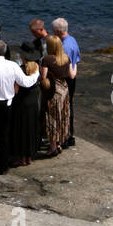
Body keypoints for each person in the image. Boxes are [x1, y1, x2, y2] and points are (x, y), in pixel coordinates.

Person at [0, 39, 40, 174]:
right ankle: (2, 167)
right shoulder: (13, 66)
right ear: (5, 52)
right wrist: (36, 73)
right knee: (3, 136)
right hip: (6, 104)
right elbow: (25, 82)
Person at [8, 44, 43, 167]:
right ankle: (29, 156)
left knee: (21, 129)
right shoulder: (36, 68)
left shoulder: (20, 70)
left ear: (23, 56)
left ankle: (21, 157)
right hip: (33, 101)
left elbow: (16, 90)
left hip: (21, 102)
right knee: (31, 128)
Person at [40, 34, 76, 156]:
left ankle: (52, 147)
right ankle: (59, 143)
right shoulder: (66, 58)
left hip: (54, 90)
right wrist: (75, 65)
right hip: (64, 89)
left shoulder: (47, 59)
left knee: (52, 117)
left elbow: (43, 77)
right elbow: (72, 75)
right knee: (62, 116)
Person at [51, 18, 81, 147]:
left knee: (65, 107)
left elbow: (66, 66)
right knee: (69, 106)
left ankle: (66, 137)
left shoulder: (65, 47)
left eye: (53, 31)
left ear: (58, 31)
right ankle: (69, 135)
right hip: (72, 77)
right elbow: (77, 60)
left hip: (66, 79)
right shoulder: (72, 40)